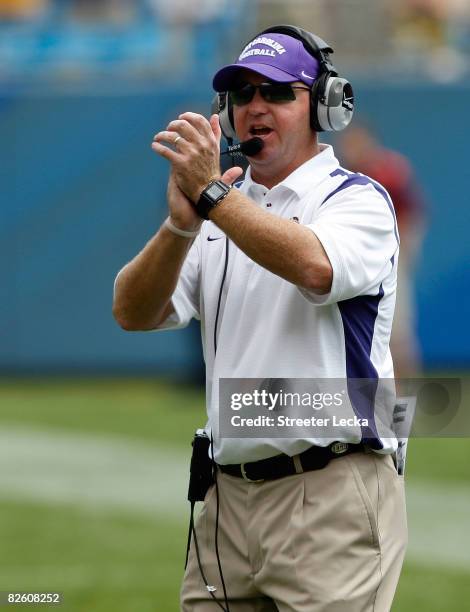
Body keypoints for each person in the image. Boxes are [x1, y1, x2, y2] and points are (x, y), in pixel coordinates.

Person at [113, 25, 407, 612]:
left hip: (329, 490)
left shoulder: (357, 198)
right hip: (226, 499)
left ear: (325, 105)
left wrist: (214, 201)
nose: (255, 108)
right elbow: (133, 311)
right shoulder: (222, 204)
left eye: (277, 93)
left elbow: (314, 266)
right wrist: (180, 225)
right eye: (242, 95)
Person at [338, 122, 426, 378]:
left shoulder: (389, 170)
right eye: (348, 142)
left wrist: (403, 254)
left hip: (387, 260)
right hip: (350, 263)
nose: (352, 148)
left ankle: (402, 404)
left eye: (357, 141)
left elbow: (412, 215)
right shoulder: (338, 172)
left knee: (396, 336)